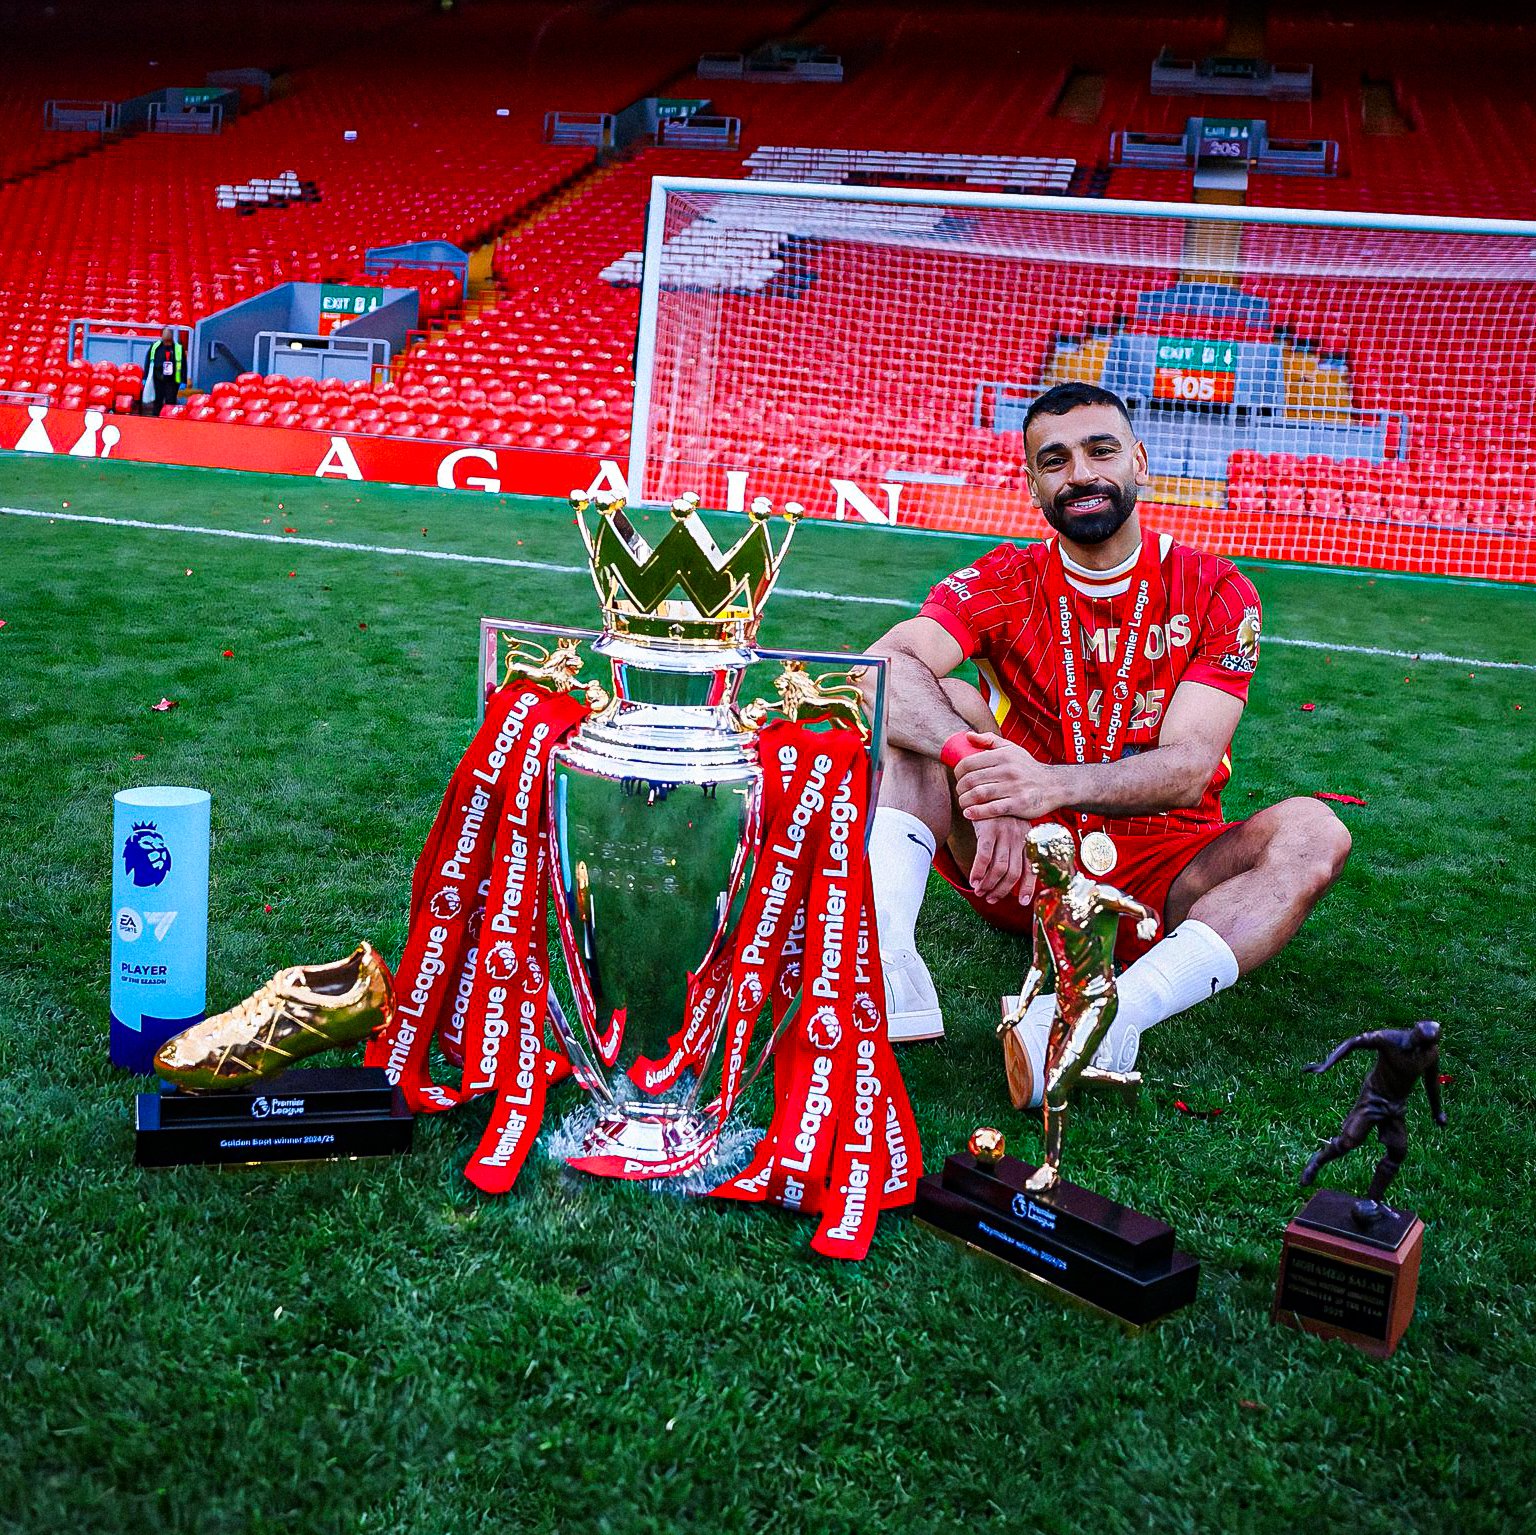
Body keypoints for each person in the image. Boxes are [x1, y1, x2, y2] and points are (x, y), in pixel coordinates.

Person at [863, 381, 1352, 1105]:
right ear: (1033, 483)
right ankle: (890, 964)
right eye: (1054, 460)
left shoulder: (1216, 589)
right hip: (1022, 863)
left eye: (1100, 451)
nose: (1080, 474)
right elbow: (879, 669)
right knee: (939, 709)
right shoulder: (1003, 578)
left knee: (1316, 830)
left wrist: (1046, 784)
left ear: (1139, 462)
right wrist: (983, 775)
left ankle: (1116, 1013)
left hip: (1167, 873)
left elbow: (1189, 768)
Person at [1300, 1020, 1446, 1224]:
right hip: (1373, 1099)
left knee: (1398, 1152)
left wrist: (1437, 1112)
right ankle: (1318, 1161)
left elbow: (1432, 1082)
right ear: (1413, 1031)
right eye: (1417, 1042)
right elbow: (1355, 1042)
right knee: (1348, 1142)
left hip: (1395, 1107)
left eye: (1425, 1046)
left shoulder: (1430, 1055)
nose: (1419, 1050)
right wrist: (1327, 1064)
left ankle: (1373, 1200)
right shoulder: (1389, 1039)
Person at [143, 326, 185, 417]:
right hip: (158, 378)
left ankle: (170, 418)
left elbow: (183, 365)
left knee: (171, 401)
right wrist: (145, 377)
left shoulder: (178, 348)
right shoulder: (155, 347)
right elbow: (148, 362)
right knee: (158, 401)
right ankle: (156, 418)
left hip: (172, 380)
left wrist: (183, 381)